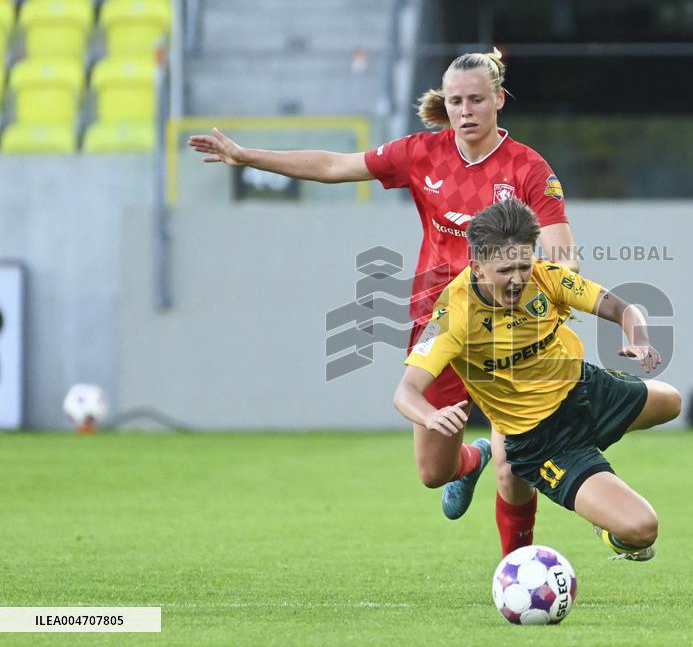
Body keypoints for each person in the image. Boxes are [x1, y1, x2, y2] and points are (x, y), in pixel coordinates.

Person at [188, 49, 579, 555]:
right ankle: (471, 460)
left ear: (498, 100)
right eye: (456, 100)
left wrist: (556, 287)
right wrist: (248, 156)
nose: (465, 110)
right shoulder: (422, 154)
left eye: (477, 99)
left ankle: (516, 570)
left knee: (515, 464)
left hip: (507, 330)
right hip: (440, 327)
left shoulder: (528, 168)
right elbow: (334, 165)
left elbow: (561, 250)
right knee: (433, 473)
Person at [393, 199, 682, 561]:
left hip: (585, 389)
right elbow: (405, 391)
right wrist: (431, 417)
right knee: (642, 529)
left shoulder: (545, 275)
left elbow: (620, 307)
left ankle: (591, 476)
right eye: (504, 271)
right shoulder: (452, 313)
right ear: (477, 268)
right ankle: (608, 524)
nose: (517, 280)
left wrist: (637, 339)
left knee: (672, 401)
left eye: (523, 266)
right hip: (543, 438)